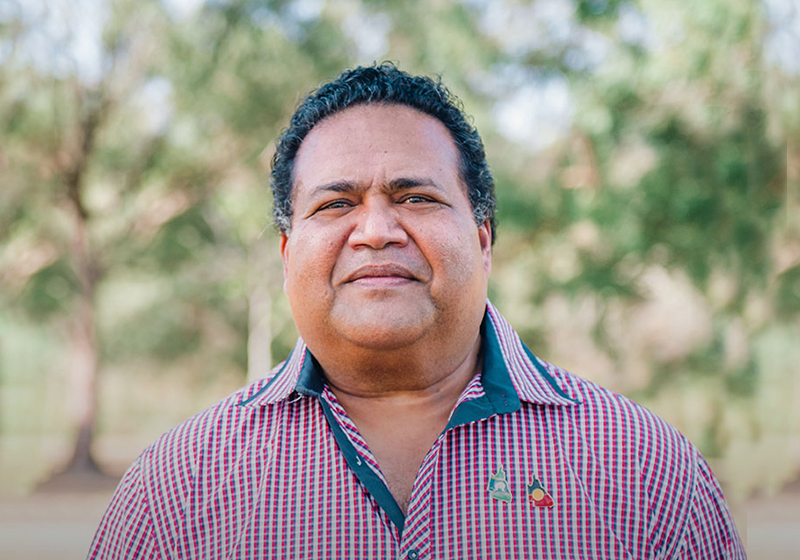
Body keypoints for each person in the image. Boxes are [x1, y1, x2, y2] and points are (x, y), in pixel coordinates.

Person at [88, 63, 745, 559]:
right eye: (336, 204)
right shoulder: (175, 491)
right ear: (288, 255)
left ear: (482, 240)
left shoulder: (646, 473)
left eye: (416, 198)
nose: (376, 231)